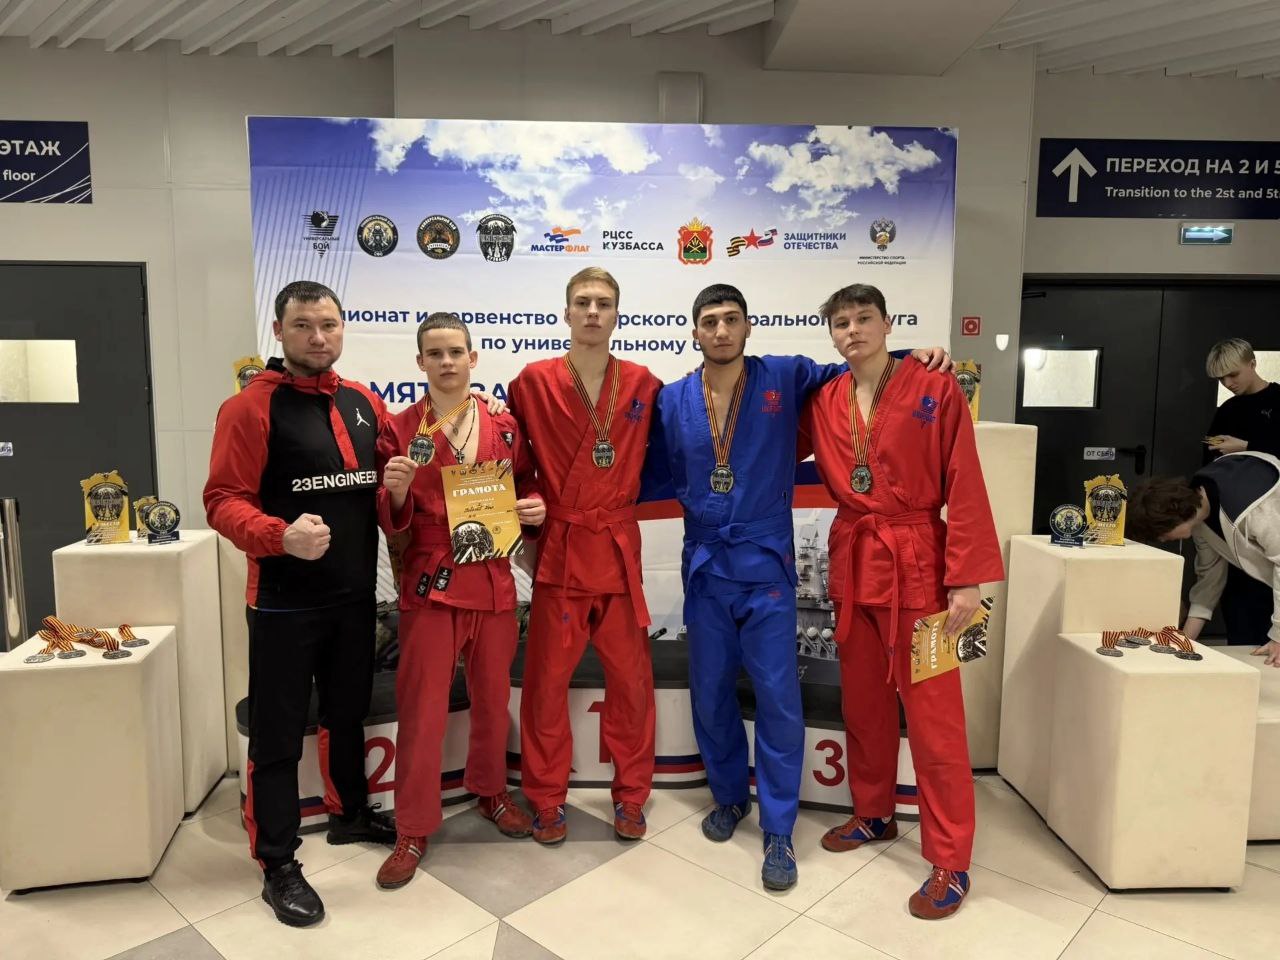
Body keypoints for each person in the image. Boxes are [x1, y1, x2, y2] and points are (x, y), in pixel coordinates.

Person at [641, 283, 951, 892]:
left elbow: (860, 367)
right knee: (710, 695)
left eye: (732, 319)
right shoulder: (672, 399)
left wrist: (913, 354)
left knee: (779, 700)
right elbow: (643, 468)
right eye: (710, 321)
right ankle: (729, 796)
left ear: (749, 326)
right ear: (694, 331)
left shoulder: (785, 376)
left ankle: (779, 827)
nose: (721, 330)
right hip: (705, 568)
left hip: (767, 572)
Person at [798, 283, 1003, 920]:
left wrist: (966, 578)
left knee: (936, 718)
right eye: (841, 323)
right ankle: (874, 812)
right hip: (854, 564)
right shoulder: (823, 399)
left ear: (889, 324)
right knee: (863, 703)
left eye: (864, 318)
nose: (853, 331)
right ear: (831, 335)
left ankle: (951, 859)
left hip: (919, 567)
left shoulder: (935, 387)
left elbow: (964, 478)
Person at [204, 280, 402, 927]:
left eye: (328, 325)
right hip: (283, 604)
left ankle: (349, 815)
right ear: (279, 331)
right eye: (303, 326)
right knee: (278, 736)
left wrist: (403, 482)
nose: (318, 337)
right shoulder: (250, 407)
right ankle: (278, 862)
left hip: (353, 599)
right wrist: (279, 535)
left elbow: (388, 485)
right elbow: (221, 501)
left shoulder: (364, 402)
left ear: (342, 328)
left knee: (346, 716)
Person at [372, 313, 547, 889]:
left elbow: (528, 484)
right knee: (422, 711)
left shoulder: (505, 423)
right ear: (420, 362)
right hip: (432, 582)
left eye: (456, 352)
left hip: (494, 578)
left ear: (473, 358)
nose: (446, 362)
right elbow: (389, 516)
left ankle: (491, 791)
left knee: (493, 699)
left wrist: (535, 507)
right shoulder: (400, 429)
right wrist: (397, 493)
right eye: (435, 353)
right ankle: (412, 826)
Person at [507, 267, 663, 845]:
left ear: (617, 314)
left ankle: (632, 795)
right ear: (567, 312)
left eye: (603, 303)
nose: (593, 312)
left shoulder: (644, 383)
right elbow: (514, 459)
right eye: (582, 302)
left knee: (631, 683)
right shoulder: (532, 382)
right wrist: (529, 500)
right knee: (547, 684)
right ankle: (547, 798)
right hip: (563, 550)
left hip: (618, 550)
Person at [1128, 454, 1280, 665]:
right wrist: (1182, 643)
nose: (1163, 540)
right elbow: (1209, 582)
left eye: (1160, 534)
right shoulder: (1200, 513)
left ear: (1173, 518)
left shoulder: (1251, 508)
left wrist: (1278, 636)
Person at [1203, 338, 1280, 644]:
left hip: (1273, 512)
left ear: (1253, 363)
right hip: (1237, 520)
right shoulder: (1228, 410)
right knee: (1240, 603)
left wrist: (1247, 446)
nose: (1228, 383)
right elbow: (1210, 462)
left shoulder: (1279, 400)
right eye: (1220, 379)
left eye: (1233, 374)